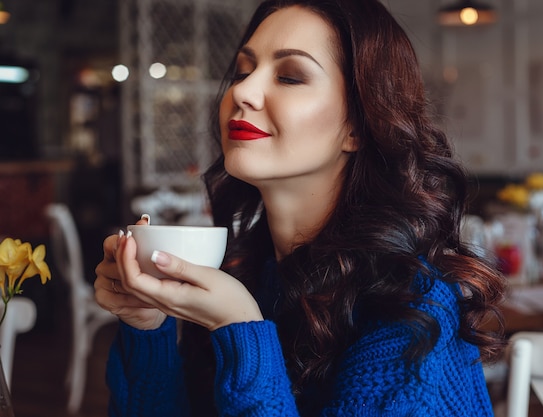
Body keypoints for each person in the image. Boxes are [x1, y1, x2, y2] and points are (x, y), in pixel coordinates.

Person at [94, 0, 507, 416]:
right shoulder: (250, 272)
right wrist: (146, 326)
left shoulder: (411, 306)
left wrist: (240, 330)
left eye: (290, 76)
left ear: (358, 127)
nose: (242, 91)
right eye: (242, 70)